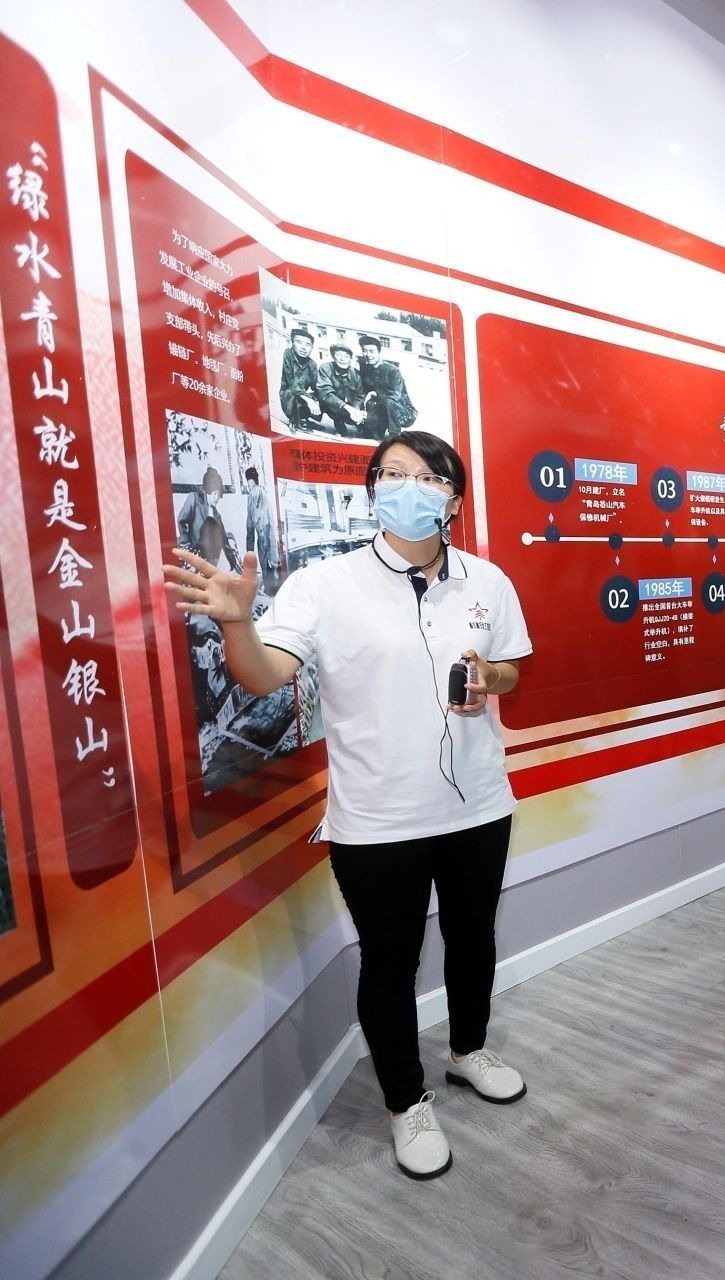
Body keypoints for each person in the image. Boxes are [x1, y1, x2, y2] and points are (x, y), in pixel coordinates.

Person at [163, 430, 534, 1181]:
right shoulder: (325, 584)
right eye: (391, 474)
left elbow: (513, 671)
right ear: (372, 492)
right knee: (390, 964)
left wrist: (490, 678)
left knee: (473, 941)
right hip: (377, 820)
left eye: (427, 477)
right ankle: (406, 1101)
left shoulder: (488, 582)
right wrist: (236, 622)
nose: (407, 486)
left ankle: (468, 1049)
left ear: (453, 500)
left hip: (479, 806)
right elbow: (264, 675)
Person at [358, 334, 419, 439]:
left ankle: (394, 434)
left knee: (389, 401)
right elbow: (364, 391)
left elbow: (395, 395)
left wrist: (375, 394)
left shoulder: (392, 370)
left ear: (379, 352)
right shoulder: (366, 370)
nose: (368, 355)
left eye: (372, 351)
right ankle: (377, 428)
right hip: (380, 408)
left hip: (403, 411)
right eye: (364, 351)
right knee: (369, 434)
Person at [318, 342, 370, 437]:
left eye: (346, 356)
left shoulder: (355, 374)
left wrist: (356, 411)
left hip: (350, 406)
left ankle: (360, 425)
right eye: (338, 355)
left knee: (366, 421)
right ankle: (339, 426)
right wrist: (347, 408)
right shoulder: (325, 368)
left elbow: (359, 395)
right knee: (323, 402)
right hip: (332, 404)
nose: (342, 359)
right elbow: (325, 392)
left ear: (351, 359)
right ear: (333, 357)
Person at [278, 328, 324, 430]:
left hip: (302, 395)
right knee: (289, 393)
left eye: (308, 344)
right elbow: (292, 384)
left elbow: (317, 386)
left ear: (312, 348)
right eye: (299, 342)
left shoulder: (312, 364)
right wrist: (309, 400)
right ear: (292, 343)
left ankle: (305, 420)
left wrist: (317, 400)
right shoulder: (288, 355)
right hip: (289, 395)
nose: (303, 348)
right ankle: (293, 420)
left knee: (324, 394)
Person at [242, 466, 279, 591]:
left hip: (270, 541)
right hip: (260, 543)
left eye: (252, 487)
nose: (251, 490)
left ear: (256, 484)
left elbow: (272, 530)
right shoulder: (250, 498)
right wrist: (249, 555)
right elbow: (249, 528)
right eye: (249, 487)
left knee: (274, 572)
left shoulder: (265, 497)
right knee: (265, 572)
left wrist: (274, 561)